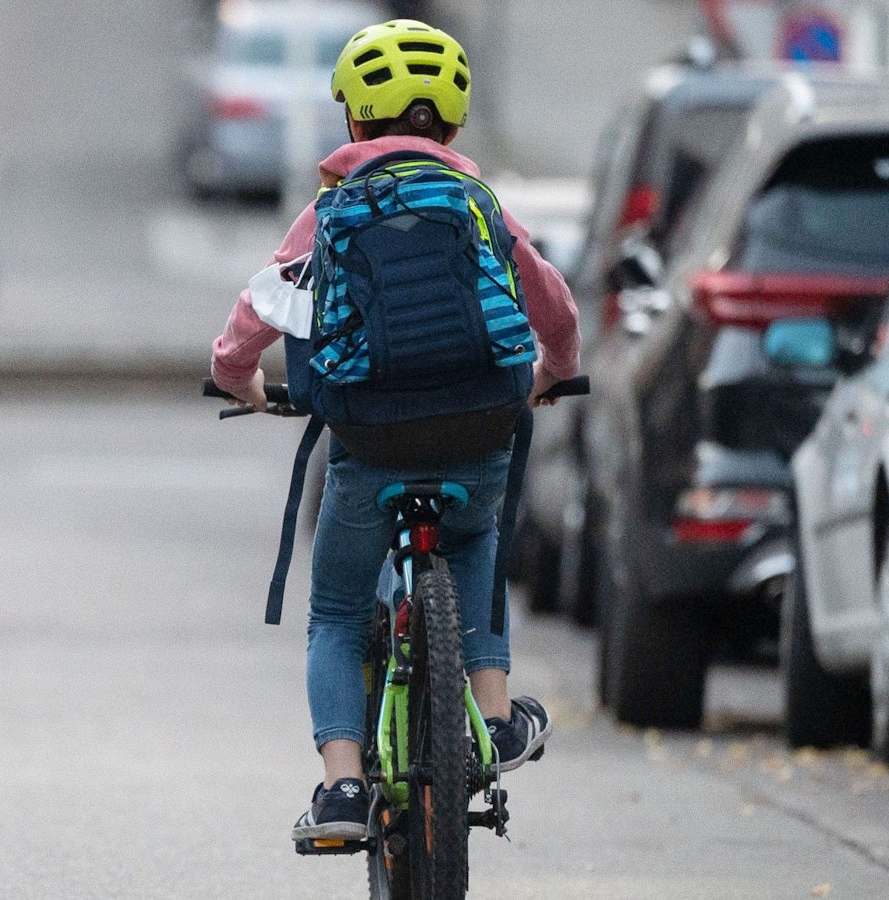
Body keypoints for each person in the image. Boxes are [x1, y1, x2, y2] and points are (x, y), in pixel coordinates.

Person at [210, 19, 581, 842]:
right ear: (452, 124)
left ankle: (342, 790)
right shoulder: (478, 202)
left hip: (371, 441)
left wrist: (240, 380)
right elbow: (550, 298)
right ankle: (496, 718)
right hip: (483, 419)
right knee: (475, 540)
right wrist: (555, 369)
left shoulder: (332, 209)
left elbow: (254, 312)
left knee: (338, 612)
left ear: (353, 121)